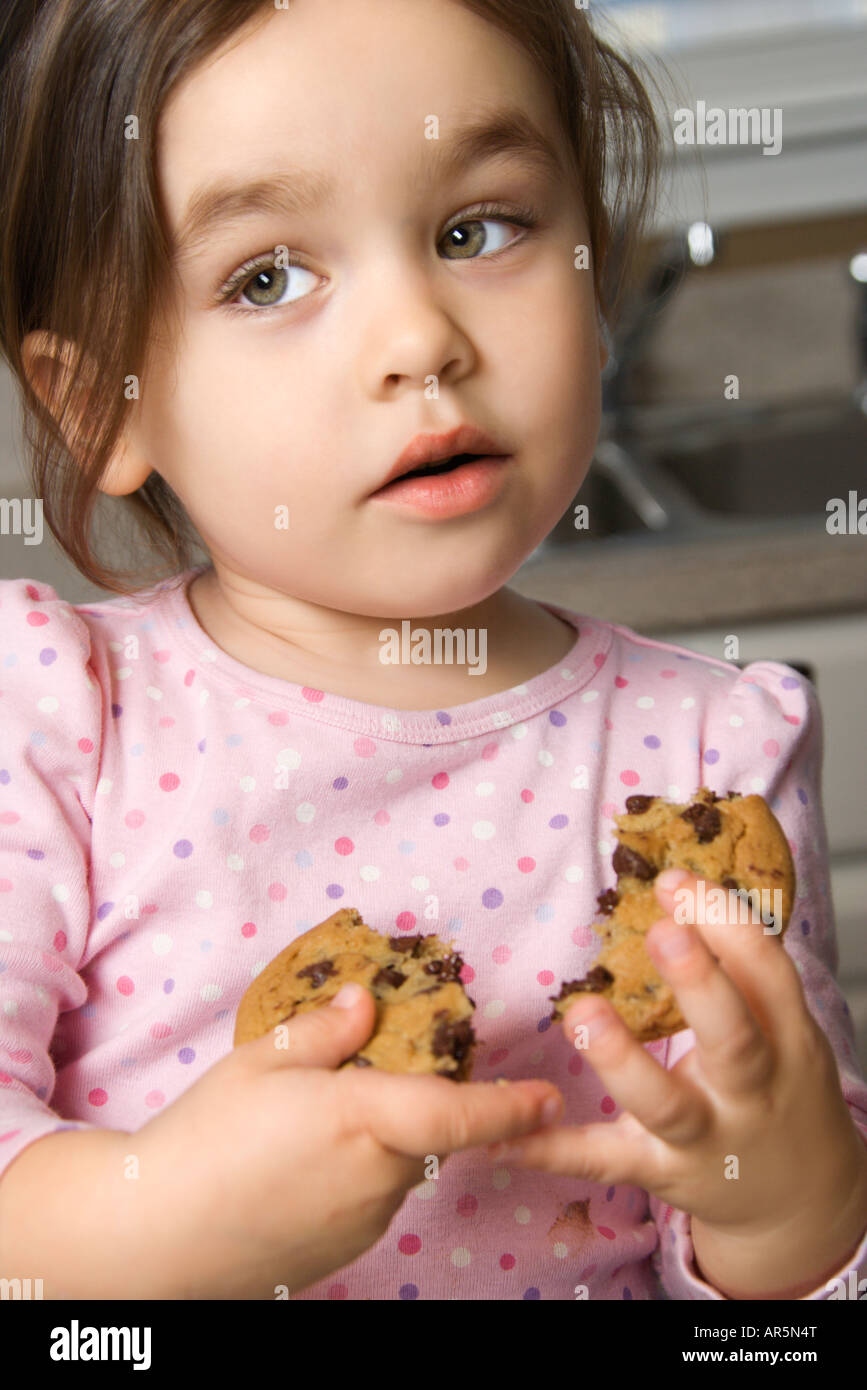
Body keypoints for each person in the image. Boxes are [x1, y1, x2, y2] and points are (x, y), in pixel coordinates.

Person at [0, 0, 865, 1302]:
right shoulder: (60, 725)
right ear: (95, 404)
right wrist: (162, 1220)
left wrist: (797, 1197)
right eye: (269, 276)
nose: (420, 341)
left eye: (479, 229)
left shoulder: (711, 755)